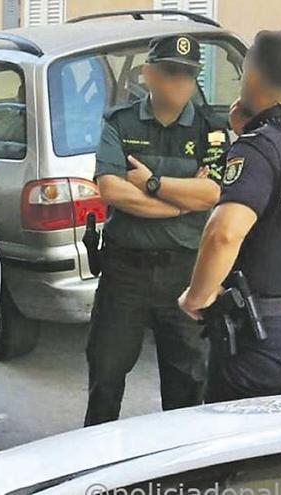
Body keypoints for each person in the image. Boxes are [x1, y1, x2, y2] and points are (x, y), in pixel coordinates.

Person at [85, 35, 230, 426]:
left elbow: (212, 193)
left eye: (188, 74)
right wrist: (179, 203)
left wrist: (150, 183)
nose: (180, 82)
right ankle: (95, 469)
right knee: (106, 377)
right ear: (148, 74)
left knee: (186, 387)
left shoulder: (210, 130)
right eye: (170, 72)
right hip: (124, 272)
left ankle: (180, 480)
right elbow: (111, 188)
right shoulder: (120, 122)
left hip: (183, 274)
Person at [179, 31, 281, 403]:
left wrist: (198, 295)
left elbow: (224, 233)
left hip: (262, 337)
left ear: (255, 77)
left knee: (231, 453)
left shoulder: (260, 149)